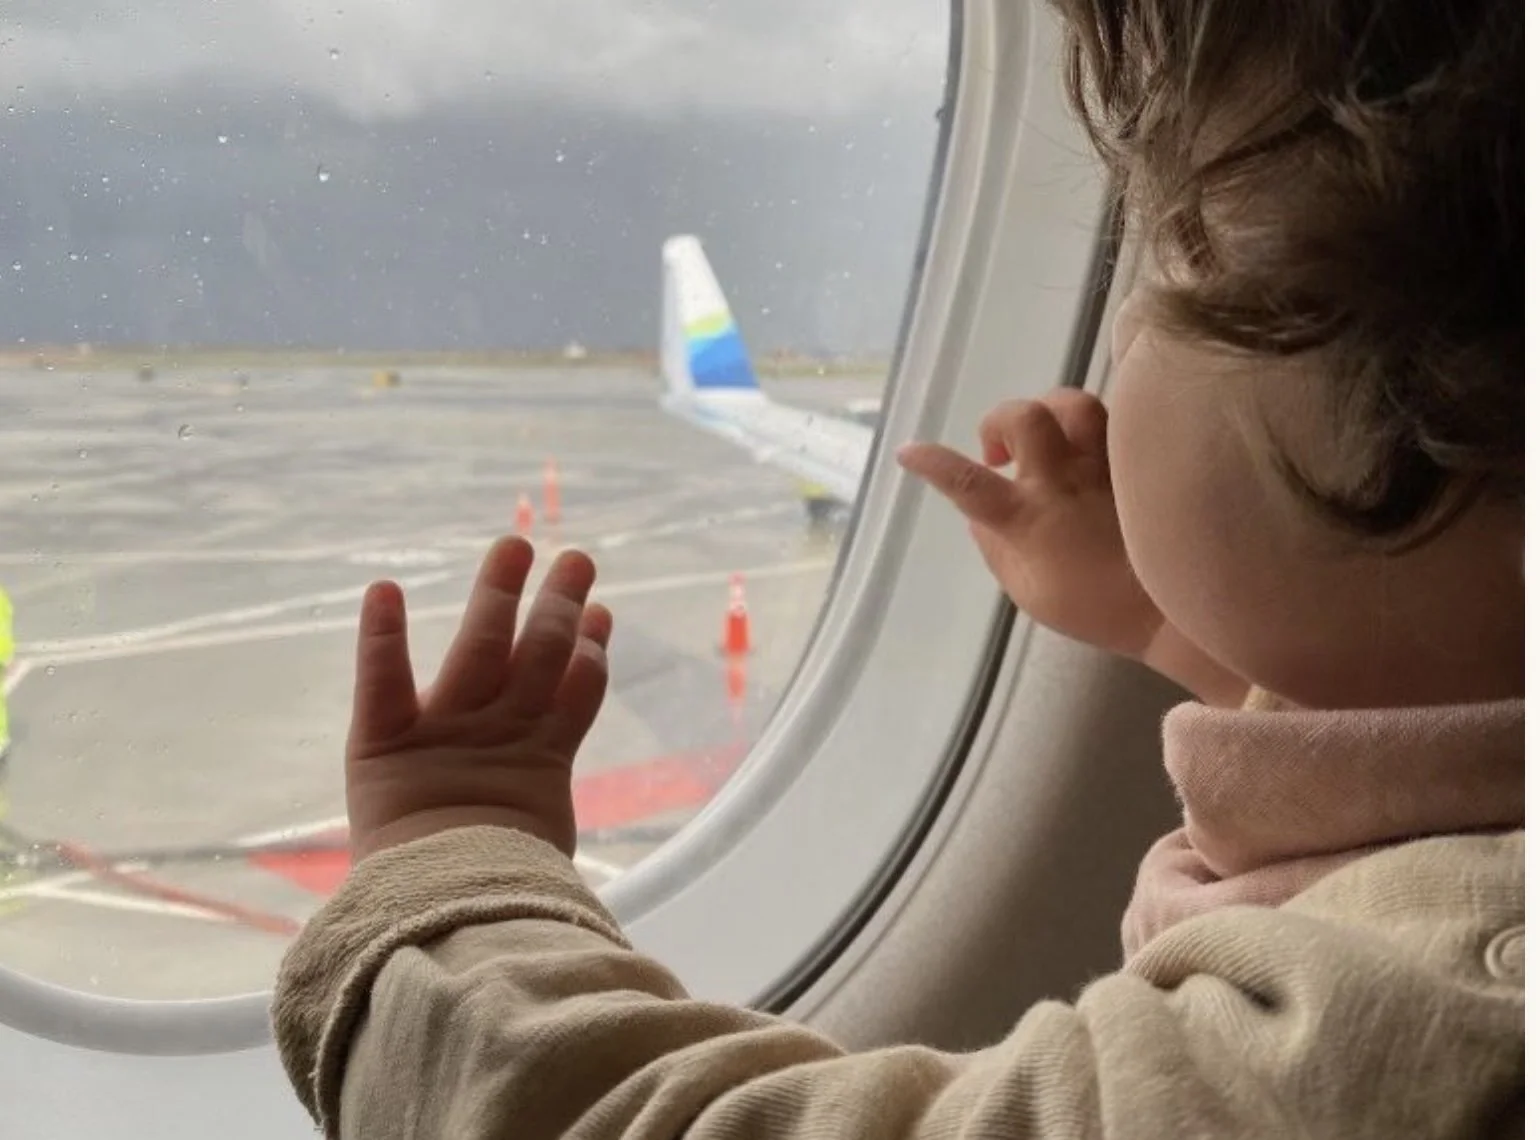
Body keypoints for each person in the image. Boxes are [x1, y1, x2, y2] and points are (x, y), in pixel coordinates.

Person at [271, 0, 1522, 1135]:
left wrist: (450, 870)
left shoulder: (1388, 1036)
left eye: (1189, 252)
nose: (1121, 324)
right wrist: (1161, 617)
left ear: (1457, 424)